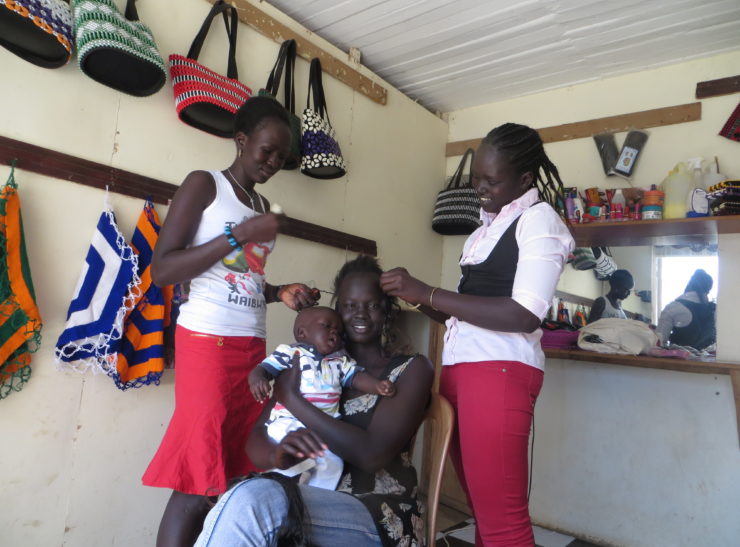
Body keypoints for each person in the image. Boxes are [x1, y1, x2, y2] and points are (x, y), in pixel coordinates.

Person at [380, 123, 574, 546]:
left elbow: (524, 315)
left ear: (524, 180)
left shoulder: (539, 220)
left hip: (499, 374)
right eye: (475, 181)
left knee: (503, 522)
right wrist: (411, 294)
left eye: (492, 180)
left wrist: (429, 291)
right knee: (484, 512)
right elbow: (463, 316)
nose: (480, 189)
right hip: (463, 373)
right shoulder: (485, 229)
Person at [142, 96, 319, 547]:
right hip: (206, 341)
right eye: (266, 151)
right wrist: (239, 233)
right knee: (196, 479)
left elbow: (240, 278)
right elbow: (164, 269)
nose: (274, 162)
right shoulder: (206, 185)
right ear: (241, 141)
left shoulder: (260, 204)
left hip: (250, 351)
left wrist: (279, 292)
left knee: (231, 471)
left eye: (281, 156)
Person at [195, 255, 434, 547]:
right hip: (310, 500)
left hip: (380, 513)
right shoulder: (303, 362)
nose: (360, 315)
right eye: (349, 306)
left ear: (386, 310)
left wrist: (294, 401)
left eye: (372, 305)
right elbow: (258, 436)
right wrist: (277, 455)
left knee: (253, 500)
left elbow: (372, 455)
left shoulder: (410, 369)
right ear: (335, 311)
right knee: (238, 495)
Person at [248, 305, 396, 489]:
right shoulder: (291, 353)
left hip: (322, 426)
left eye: (339, 331)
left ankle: (318, 494)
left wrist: (377, 386)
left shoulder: (340, 361)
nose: (334, 332)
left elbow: (356, 378)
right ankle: (282, 486)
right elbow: (265, 368)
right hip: (288, 421)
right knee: (285, 449)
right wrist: (257, 379)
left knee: (333, 463)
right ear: (302, 333)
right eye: (327, 326)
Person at [656, 269, 716, 350]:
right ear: (708, 289)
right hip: (709, 361)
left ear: (689, 285)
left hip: (680, 361)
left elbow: (659, 341)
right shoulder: (715, 310)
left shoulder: (674, 307)